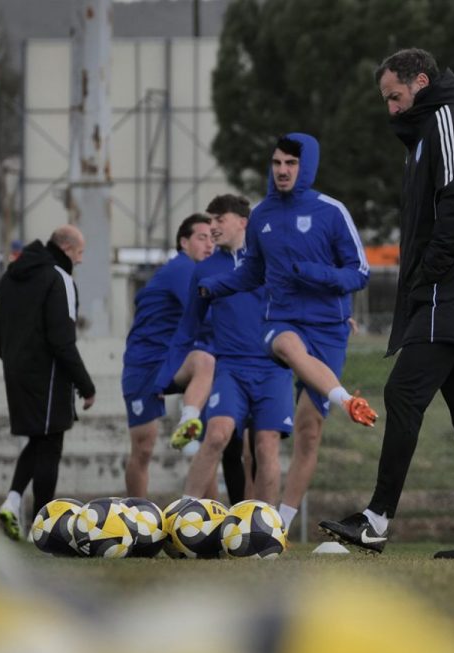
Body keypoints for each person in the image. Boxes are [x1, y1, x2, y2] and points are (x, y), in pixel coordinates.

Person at [320, 48, 454, 559]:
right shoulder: (427, 131)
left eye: (396, 96)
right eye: (386, 100)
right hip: (453, 293)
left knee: (403, 394)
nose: (391, 109)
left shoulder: (448, 118)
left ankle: (377, 519)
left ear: (422, 83)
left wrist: (426, 275)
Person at [197, 133, 376, 533]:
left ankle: (279, 522)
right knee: (288, 348)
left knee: (309, 432)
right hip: (281, 321)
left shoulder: (332, 211)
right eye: (276, 163)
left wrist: (315, 274)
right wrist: (215, 286)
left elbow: (359, 273)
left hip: (329, 328)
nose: (281, 170)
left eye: (290, 164)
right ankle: (346, 399)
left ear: (306, 165)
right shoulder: (261, 216)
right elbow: (253, 273)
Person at [174, 194, 294, 505]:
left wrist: (337, 314)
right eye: (208, 221)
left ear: (243, 222)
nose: (212, 227)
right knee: (217, 435)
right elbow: (192, 321)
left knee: (265, 445)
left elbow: (301, 295)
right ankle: (183, 515)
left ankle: (265, 528)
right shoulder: (206, 269)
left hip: (272, 368)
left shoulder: (272, 260)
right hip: (230, 367)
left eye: (218, 220)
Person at [0, 225, 96, 541]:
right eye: (80, 252)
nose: (82, 260)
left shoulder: (12, 275)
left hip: (18, 372)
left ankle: (13, 499)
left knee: (38, 439)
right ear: (67, 248)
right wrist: (86, 385)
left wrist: (14, 357)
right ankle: (42, 528)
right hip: (48, 373)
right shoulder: (59, 278)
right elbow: (62, 340)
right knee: (51, 443)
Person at [121, 214, 216, 498]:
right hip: (144, 363)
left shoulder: (203, 272)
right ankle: (137, 516)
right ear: (184, 242)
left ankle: (213, 517)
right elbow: (207, 316)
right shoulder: (182, 268)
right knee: (143, 446)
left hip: (173, 360)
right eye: (202, 237)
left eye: (213, 237)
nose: (209, 244)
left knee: (205, 363)